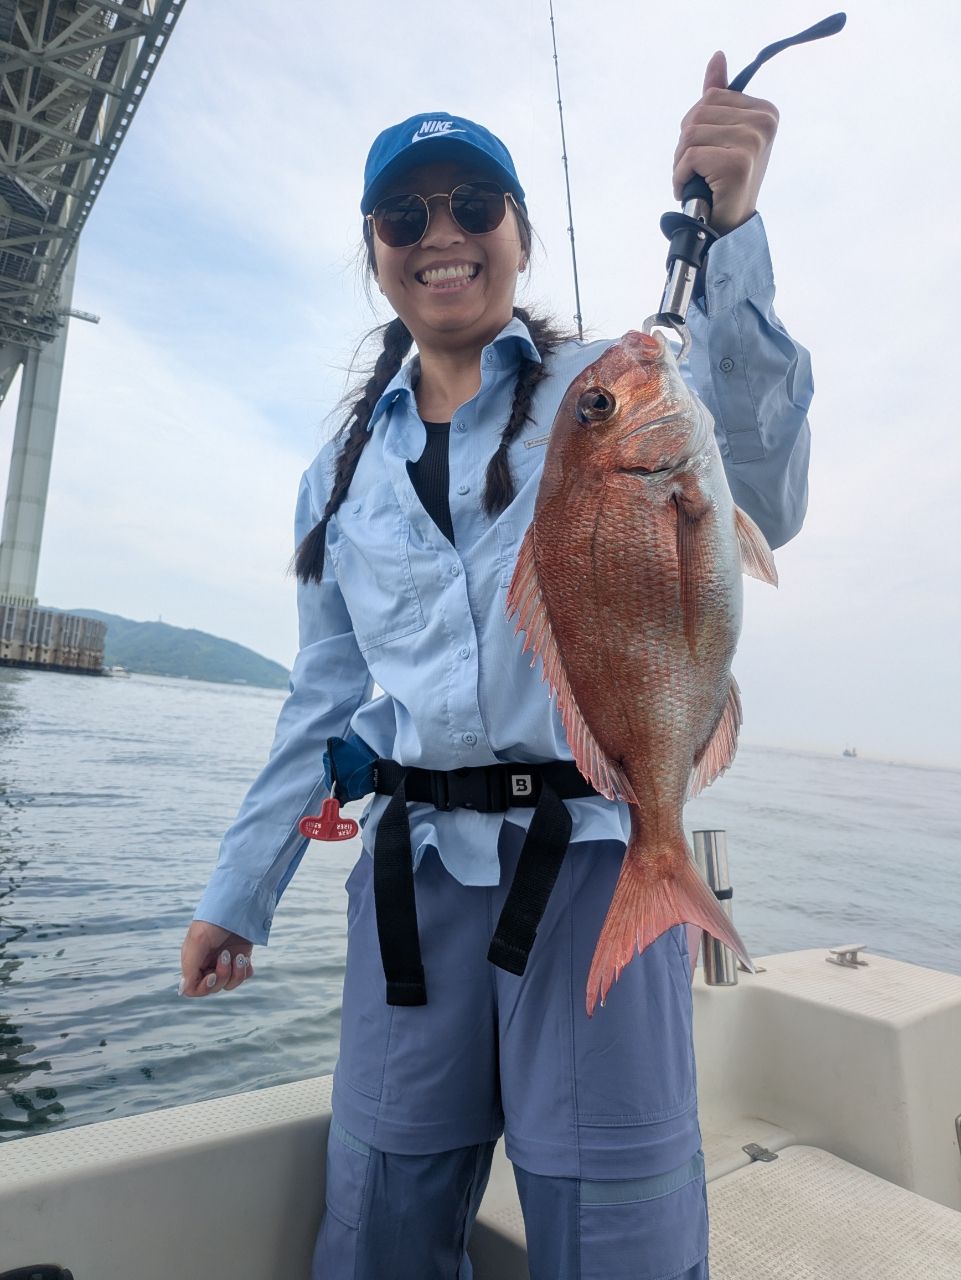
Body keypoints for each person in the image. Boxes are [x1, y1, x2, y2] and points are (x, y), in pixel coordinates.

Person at [179, 52, 812, 1280]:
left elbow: (768, 493)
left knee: (618, 1235)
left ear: (517, 233)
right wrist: (234, 890)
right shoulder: (338, 474)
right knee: (381, 1226)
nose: (442, 234)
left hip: (589, 862)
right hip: (413, 890)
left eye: (474, 205)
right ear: (376, 248)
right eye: (405, 215)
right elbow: (322, 698)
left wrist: (730, 234)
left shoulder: (603, 392)